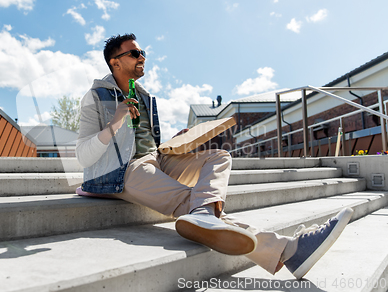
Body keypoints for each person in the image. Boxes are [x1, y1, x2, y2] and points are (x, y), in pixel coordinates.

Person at [75, 33, 353, 280]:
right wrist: (116, 120)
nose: (142, 57)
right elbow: (84, 155)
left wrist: (178, 141)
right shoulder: (95, 98)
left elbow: (147, 143)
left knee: (218, 157)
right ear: (115, 62)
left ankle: (205, 214)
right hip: (123, 171)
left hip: (155, 160)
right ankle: (290, 250)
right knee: (190, 201)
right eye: (135, 53)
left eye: (143, 52)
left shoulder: (145, 97)